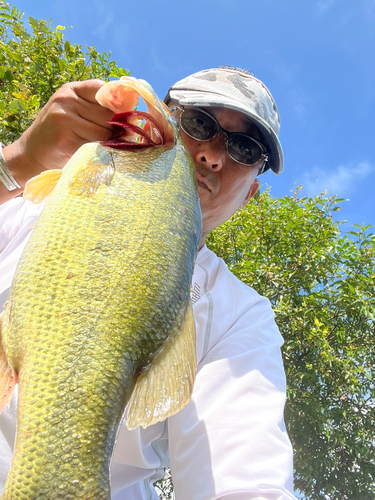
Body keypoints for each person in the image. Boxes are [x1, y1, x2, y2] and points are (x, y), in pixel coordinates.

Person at [0, 67, 295, 499]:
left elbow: (248, 480)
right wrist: (19, 161)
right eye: (198, 123)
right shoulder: (35, 202)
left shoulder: (241, 318)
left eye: (244, 148)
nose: (212, 156)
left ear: (248, 195)